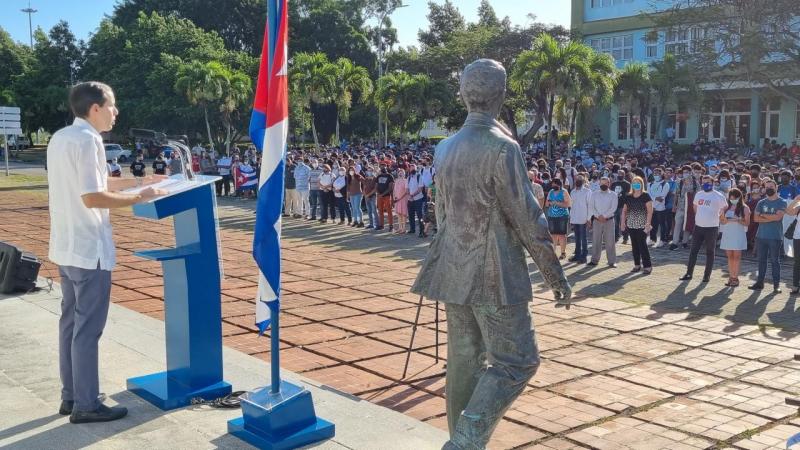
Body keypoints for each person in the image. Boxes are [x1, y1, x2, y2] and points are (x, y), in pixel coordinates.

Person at [410, 59, 570, 450]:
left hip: (452, 267)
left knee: (463, 360)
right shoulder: (502, 147)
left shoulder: (445, 147)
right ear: (500, 96)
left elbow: (441, 212)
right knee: (518, 360)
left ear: (464, 95)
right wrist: (555, 276)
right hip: (495, 276)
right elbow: (528, 218)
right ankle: (464, 441)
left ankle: (461, 442)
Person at [47, 82, 165, 424]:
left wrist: (138, 184)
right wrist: (140, 198)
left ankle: (71, 396)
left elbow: (94, 185)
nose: (116, 112)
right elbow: (92, 198)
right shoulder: (89, 140)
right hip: (88, 247)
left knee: (70, 324)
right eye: (112, 106)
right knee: (87, 329)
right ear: (95, 108)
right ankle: (86, 404)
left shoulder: (61, 138)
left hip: (67, 247)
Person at [679, 175, 727, 282]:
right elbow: (695, 208)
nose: (706, 184)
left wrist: (718, 216)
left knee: (710, 252)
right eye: (704, 182)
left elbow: (724, 208)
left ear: (713, 182)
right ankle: (689, 273)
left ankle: (706, 275)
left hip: (712, 228)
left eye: (708, 182)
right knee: (693, 251)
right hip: (699, 227)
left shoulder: (718, 196)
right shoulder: (699, 194)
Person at [750, 179, 787, 292]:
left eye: (771, 186)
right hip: (761, 236)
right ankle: (760, 283)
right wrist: (770, 217)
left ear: (776, 188)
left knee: (775, 261)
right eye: (767, 187)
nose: (769, 189)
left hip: (775, 237)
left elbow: (778, 218)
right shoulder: (761, 202)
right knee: (761, 260)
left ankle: (776, 285)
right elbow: (756, 218)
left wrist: (762, 215)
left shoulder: (782, 202)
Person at [621, 176, 653, 274]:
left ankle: (647, 266)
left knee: (642, 245)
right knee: (634, 246)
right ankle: (637, 265)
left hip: (642, 225)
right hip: (631, 225)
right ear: (632, 185)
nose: (636, 185)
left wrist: (648, 223)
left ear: (642, 184)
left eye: (638, 183)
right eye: (634, 183)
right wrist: (622, 223)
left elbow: (650, 211)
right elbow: (624, 211)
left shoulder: (646, 196)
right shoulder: (628, 196)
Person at [719, 188, 750, 287]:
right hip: (728, 233)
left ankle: (735, 278)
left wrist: (737, 220)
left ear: (739, 197)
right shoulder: (726, 207)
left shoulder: (745, 208)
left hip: (738, 234)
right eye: (731, 198)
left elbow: (747, 223)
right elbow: (722, 222)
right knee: (729, 256)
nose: (732, 199)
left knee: (736, 256)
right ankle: (731, 276)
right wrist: (722, 216)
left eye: (734, 198)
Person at [588, 176, 618, 267]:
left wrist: (604, 216)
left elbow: (613, 208)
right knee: (596, 240)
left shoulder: (613, 194)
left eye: (605, 183)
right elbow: (591, 207)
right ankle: (594, 260)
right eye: (602, 183)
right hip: (597, 221)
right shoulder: (594, 194)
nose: (603, 185)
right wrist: (598, 216)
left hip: (609, 220)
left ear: (609, 184)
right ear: (599, 184)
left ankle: (612, 261)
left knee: (610, 241)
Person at [670, 165, 699, 250]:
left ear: (690, 172)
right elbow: (676, 194)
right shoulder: (679, 182)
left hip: (690, 208)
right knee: (677, 224)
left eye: (687, 172)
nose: (685, 174)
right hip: (680, 206)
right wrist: (674, 205)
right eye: (684, 172)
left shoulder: (695, 183)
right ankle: (674, 243)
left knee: (688, 224)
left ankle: (685, 242)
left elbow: (698, 194)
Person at [545, 178, 571, 259]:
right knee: (553, 235)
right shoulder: (551, 192)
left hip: (562, 216)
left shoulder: (564, 192)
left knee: (562, 235)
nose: (553, 185)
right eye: (552, 184)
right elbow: (546, 204)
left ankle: (563, 252)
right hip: (552, 216)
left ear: (559, 184)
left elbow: (568, 204)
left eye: (555, 184)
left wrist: (556, 203)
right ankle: (553, 252)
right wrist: (549, 203)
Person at [569, 174, 591, 263]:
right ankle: (577, 255)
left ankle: (584, 256)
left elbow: (590, 206)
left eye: (579, 179)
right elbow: (572, 206)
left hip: (583, 218)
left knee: (583, 238)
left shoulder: (587, 191)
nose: (577, 181)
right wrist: (571, 218)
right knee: (577, 238)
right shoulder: (572, 192)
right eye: (576, 179)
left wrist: (589, 218)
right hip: (575, 218)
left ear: (583, 181)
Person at [648, 167, 671, 247]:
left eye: (658, 173)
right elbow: (648, 196)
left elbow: (662, 197)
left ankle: (662, 240)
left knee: (662, 224)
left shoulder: (665, 184)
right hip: (651, 207)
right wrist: (654, 200)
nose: (656, 175)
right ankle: (652, 239)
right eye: (655, 174)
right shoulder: (650, 184)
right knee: (653, 224)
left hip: (661, 208)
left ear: (662, 174)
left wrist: (654, 206)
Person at [611, 170, 630, 243]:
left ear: (624, 175)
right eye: (619, 174)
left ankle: (625, 238)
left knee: (623, 222)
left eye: (621, 174)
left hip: (623, 205)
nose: (620, 175)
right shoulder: (614, 184)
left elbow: (629, 195)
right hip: (615, 205)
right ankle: (616, 237)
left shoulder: (627, 184)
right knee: (615, 223)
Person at [786, 194, 800, 294]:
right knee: (797, 262)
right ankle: (795, 285)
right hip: (798, 237)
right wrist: (796, 200)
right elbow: (789, 211)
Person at [407, 164, 425, 236]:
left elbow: (420, 188)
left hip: (418, 199)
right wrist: (409, 196)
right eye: (411, 168)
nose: (412, 169)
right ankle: (412, 229)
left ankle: (421, 231)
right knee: (411, 215)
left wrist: (412, 195)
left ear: (416, 169)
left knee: (420, 216)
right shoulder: (408, 178)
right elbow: (407, 189)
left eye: (413, 168)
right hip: (410, 200)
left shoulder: (419, 176)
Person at [375, 165, 395, 231]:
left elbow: (390, 188)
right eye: (381, 167)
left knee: (389, 211)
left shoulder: (390, 176)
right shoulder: (378, 176)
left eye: (384, 167)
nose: (383, 168)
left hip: (387, 196)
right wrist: (378, 193)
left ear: (387, 168)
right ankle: (381, 225)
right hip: (379, 196)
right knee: (380, 211)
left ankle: (391, 226)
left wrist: (382, 194)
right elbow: (376, 186)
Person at [393, 169, 409, 234]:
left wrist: (400, 198)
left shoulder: (405, 181)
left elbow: (406, 191)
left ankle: (404, 228)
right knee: (399, 214)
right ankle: (400, 228)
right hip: (397, 200)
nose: (400, 173)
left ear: (404, 174)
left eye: (402, 172)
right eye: (399, 172)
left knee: (403, 214)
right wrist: (394, 197)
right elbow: (394, 190)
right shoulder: (396, 181)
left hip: (403, 199)